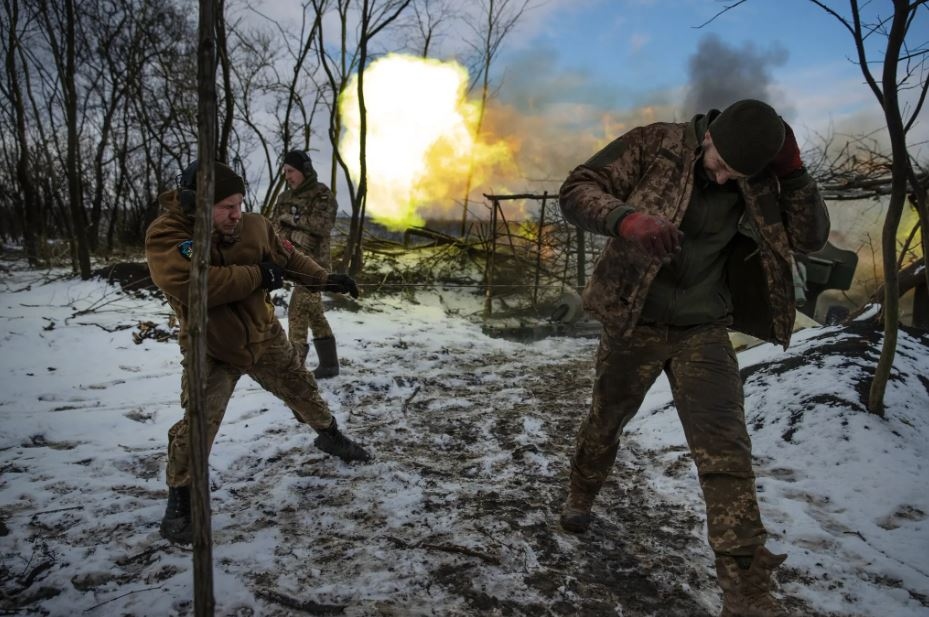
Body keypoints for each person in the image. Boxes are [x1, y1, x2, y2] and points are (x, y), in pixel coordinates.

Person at [557, 99, 830, 617]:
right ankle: (581, 494)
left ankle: (746, 593)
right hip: (633, 320)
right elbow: (576, 189)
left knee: (726, 452)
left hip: (703, 329)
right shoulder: (655, 144)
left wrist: (793, 176)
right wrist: (626, 219)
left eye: (739, 174)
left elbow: (811, 237)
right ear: (708, 138)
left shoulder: (761, 179)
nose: (727, 180)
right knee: (605, 422)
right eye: (723, 165)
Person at [145, 160, 372, 545]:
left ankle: (329, 434)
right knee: (199, 423)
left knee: (301, 387)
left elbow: (285, 257)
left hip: (263, 334)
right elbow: (194, 283)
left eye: (240, 203)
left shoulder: (254, 226)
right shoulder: (167, 236)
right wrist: (257, 275)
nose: (237, 214)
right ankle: (180, 499)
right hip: (211, 346)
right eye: (226, 207)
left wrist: (324, 278)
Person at [270, 150, 341, 379]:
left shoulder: (322, 195)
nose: (287, 176)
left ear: (305, 170)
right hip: (291, 264)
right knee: (314, 313)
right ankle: (329, 365)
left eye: (291, 171)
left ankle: (294, 371)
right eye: (285, 172)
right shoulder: (283, 198)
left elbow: (322, 225)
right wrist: (294, 234)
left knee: (298, 310)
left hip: (316, 268)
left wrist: (291, 220)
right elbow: (273, 229)